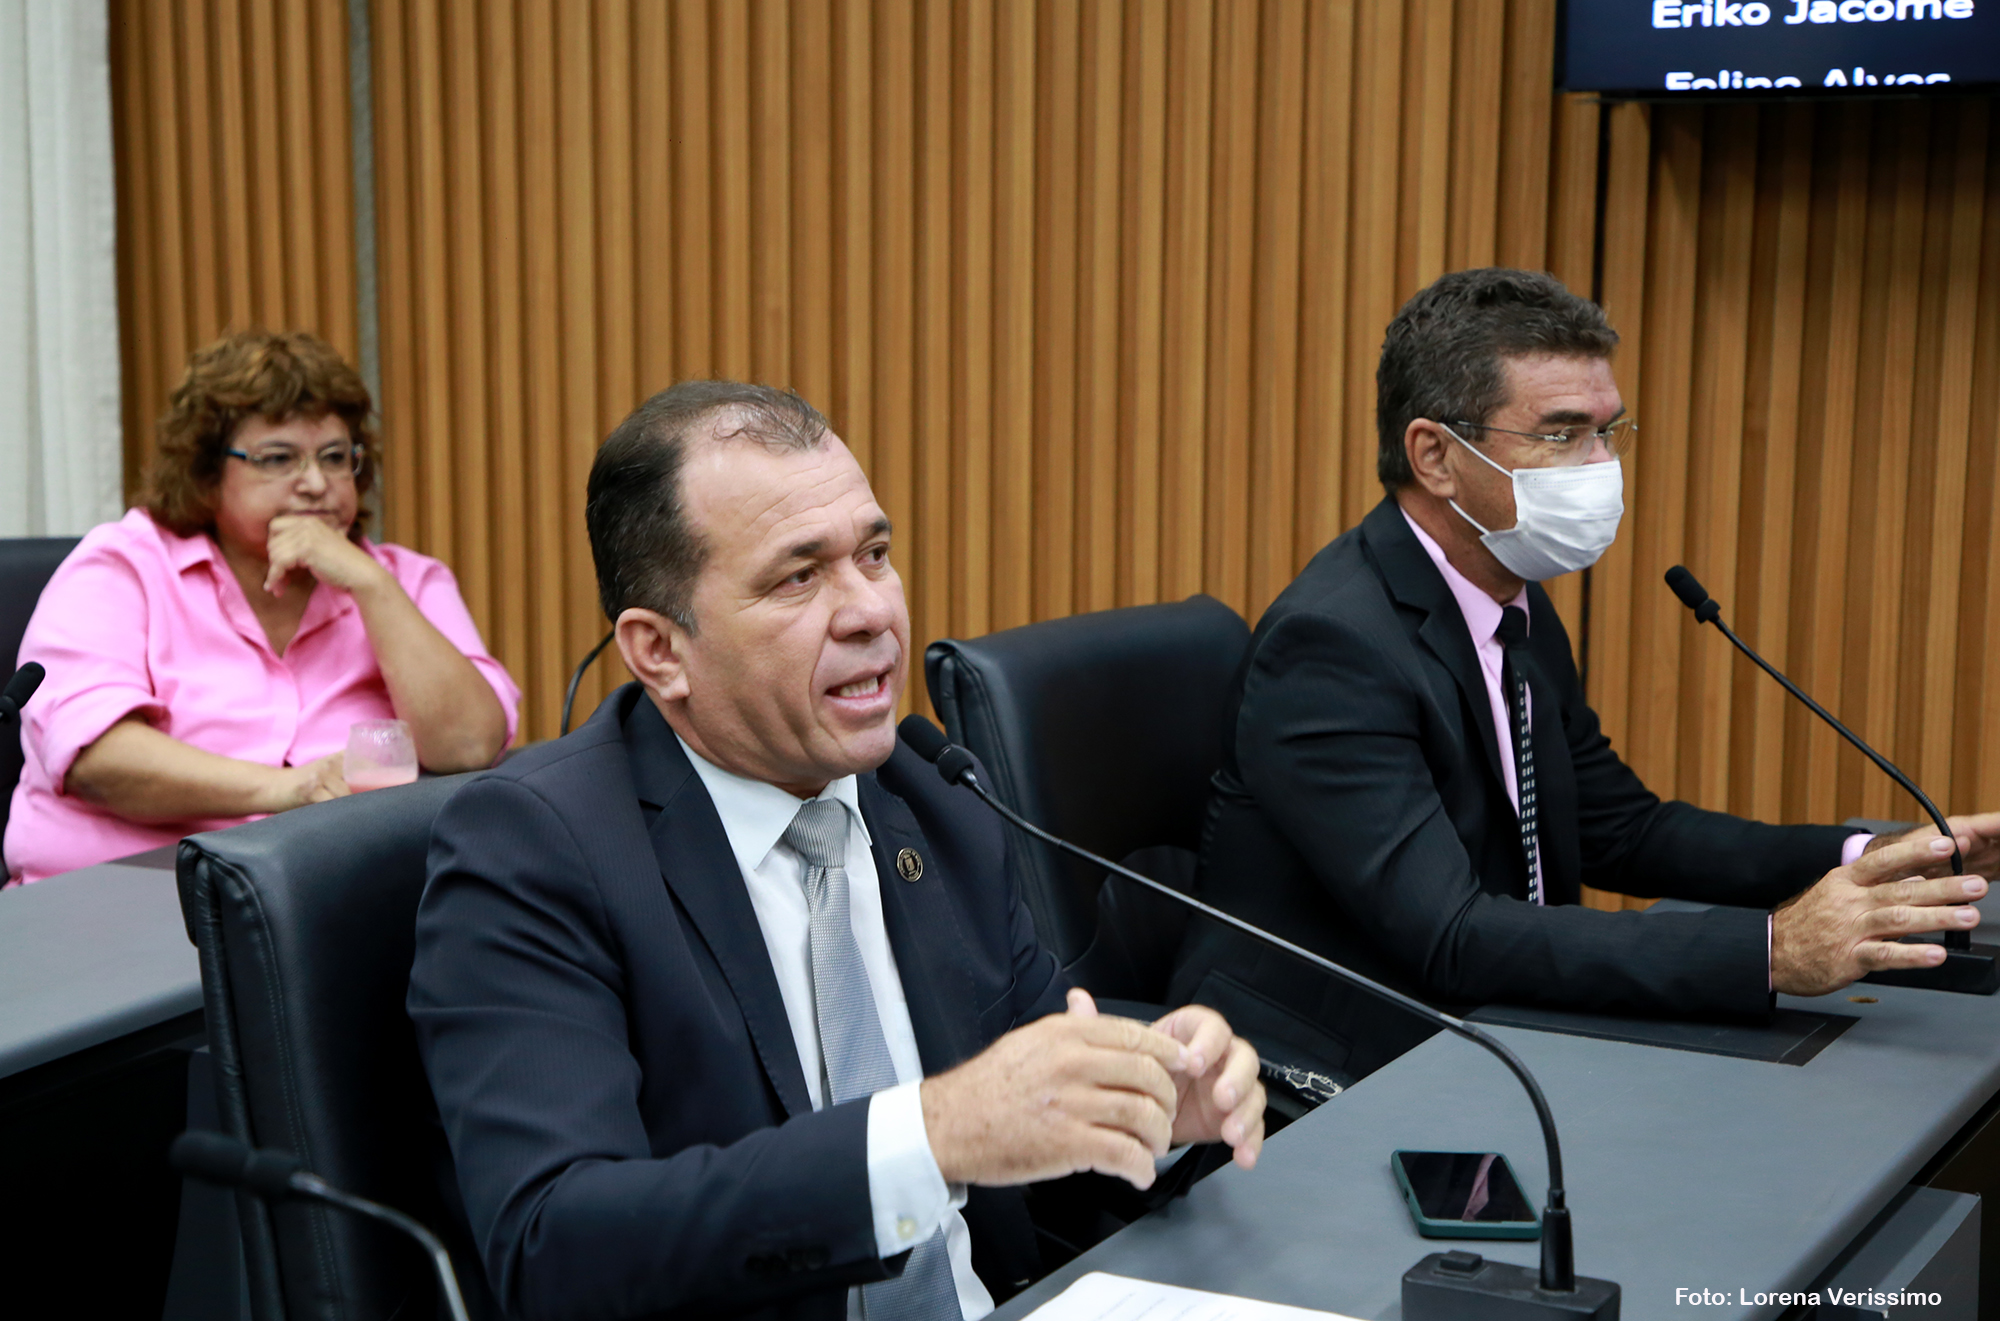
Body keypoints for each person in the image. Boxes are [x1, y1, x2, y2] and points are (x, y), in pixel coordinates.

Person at [408, 381, 1266, 1321]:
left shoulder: (935, 802)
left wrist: (1151, 1109)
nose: (870, 611)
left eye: (874, 554)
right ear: (660, 651)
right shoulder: (537, 849)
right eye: (798, 577)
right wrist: (929, 1135)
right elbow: (555, 1245)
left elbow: (1031, 1141)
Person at [1173, 267, 2000, 1080]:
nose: (1601, 464)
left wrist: (1876, 856)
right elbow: (1449, 934)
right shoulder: (1330, 646)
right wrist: (1771, 949)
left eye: (1608, 431)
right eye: (1562, 433)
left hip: (1491, 1028)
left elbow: (1621, 830)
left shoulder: (1509, 596)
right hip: (1326, 1069)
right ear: (1435, 455)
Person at [5, 330, 518, 883]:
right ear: (206, 474)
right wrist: (287, 788)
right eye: (278, 458)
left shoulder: (406, 582)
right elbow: (96, 759)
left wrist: (371, 585)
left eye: (335, 457)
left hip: (339, 897)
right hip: (125, 890)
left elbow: (469, 746)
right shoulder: (121, 569)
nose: (316, 483)